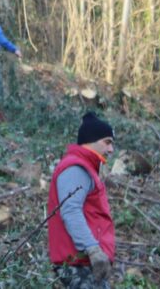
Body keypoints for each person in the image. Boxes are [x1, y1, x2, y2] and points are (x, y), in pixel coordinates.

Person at [48, 112, 117, 288]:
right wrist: (92, 249)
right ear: (91, 140)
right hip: (78, 263)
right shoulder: (76, 168)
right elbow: (70, 211)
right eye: (107, 142)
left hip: (83, 262)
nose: (111, 150)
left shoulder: (85, 167)